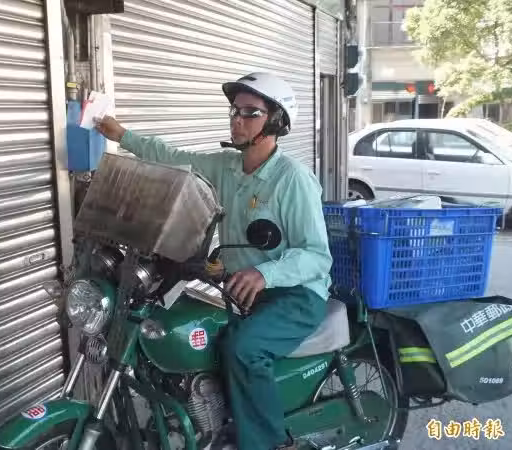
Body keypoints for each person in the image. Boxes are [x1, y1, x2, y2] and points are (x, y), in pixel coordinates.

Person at [94, 72, 333, 450]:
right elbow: (174, 159)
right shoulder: (227, 167)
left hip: (296, 295)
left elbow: (317, 256)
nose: (237, 119)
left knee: (244, 349)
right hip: (243, 288)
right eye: (234, 111)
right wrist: (122, 135)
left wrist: (263, 273)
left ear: (275, 121)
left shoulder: (293, 179)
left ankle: (271, 443)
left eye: (250, 113)